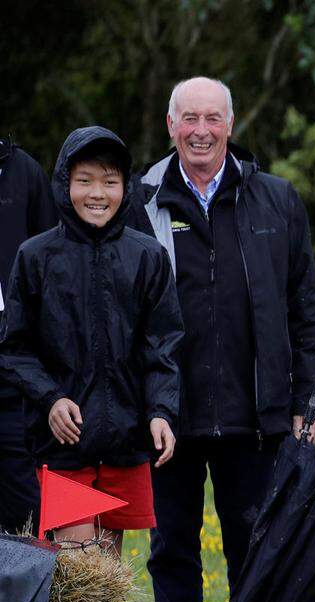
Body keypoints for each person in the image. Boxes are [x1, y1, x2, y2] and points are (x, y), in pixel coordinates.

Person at [131, 77, 315, 602]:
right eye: (188, 118)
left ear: (230, 124)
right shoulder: (142, 202)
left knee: (260, 545)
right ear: (170, 125)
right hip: (170, 414)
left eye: (212, 118)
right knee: (172, 547)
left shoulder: (275, 199)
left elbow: (305, 308)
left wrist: (310, 400)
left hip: (259, 413)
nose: (200, 130)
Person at [0, 127, 182, 554]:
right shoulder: (36, 257)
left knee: (107, 571)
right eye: (84, 180)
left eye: (110, 182)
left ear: (125, 188)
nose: (97, 193)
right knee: (78, 568)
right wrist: (50, 399)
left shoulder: (147, 256)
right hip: (63, 442)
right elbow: (13, 349)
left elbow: (163, 346)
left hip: (125, 440)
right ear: (65, 184)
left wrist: (160, 411)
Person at [0, 137, 58, 534]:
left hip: (11, 365)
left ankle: (26, 593)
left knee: (25, 508)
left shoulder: (23, 172)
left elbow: (52, 264)